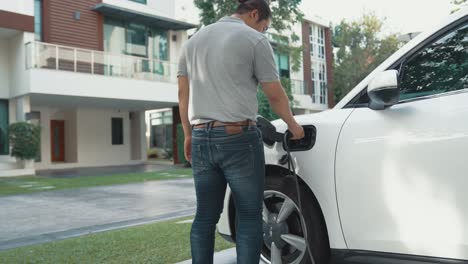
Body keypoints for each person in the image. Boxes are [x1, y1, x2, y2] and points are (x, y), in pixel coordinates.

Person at [177, 0, 305, 263]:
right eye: (265, 27)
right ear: (255, 14)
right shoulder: (254, 40)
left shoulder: (193, 41)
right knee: (248, 215)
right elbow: (275, 95)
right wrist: (294, 127)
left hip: (201, 137)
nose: (263, 33)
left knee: (205, 217)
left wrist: (188, 134)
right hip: (238, 139)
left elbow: (182, 94)